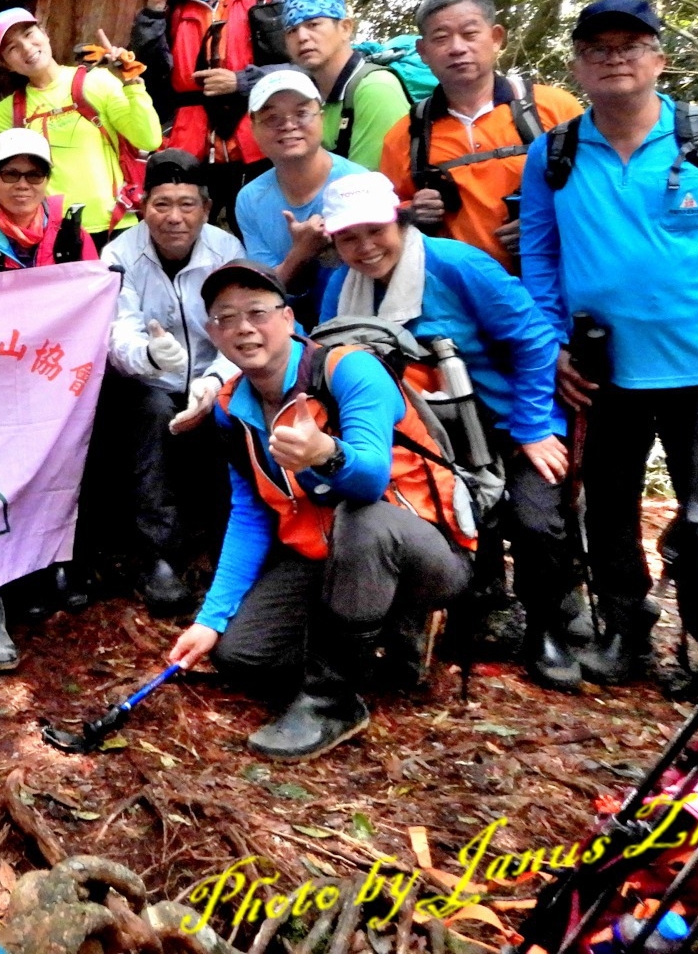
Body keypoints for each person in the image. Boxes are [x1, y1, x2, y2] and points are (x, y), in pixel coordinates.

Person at [521, 0, 698, 684]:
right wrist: (551, 346)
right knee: (608, 509)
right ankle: (627, 632)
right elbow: (540, 257)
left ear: (658, 59)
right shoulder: (555, 152)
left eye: (630, 46)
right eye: (598, 48)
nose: (615, 59)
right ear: (579, 65)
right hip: (603, 367)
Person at [166, 261, 474, 762]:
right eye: (227, 318)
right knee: (243, 656)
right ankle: (387, 639)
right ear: (213, 334)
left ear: (289, 319)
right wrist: (211, 618)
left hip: (423, 549)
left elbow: (371, 479)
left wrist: (324, 454)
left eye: (258, 313)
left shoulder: (349, 369)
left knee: (364, 519)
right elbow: (250, 514)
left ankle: (331, 701)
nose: (244, 328)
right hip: (325, 555)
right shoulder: (231, 407)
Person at [315, 172, 579, 691]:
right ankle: (441, 619)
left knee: (534, 518)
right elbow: (326, 361)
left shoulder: (457, 264)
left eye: (375, 230)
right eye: (349, 237)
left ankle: (550, 629)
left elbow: (534, 339)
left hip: (505, 420)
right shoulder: (338, 289)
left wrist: (531, 427)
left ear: (399, 219)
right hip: (416, 434)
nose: (365, 247)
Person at [92, 150, 245, 614]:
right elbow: (119, 335)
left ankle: (230, 549)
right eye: (162, 204)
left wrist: (214, 379)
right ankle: (157, 553)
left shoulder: (226, 251)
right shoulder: (119, 253)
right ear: (143, 206)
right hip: (149, 384)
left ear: (205, 206)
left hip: (212, 377)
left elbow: (241, 330)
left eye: (187, 204)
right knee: (151, 410)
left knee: (236, 409)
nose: (174, 218)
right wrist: (149, 356)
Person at [378, 0, 580, 271]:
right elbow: (383, 216)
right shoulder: (405, 135)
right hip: (457, 294)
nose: (457, 48)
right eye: (441, 38)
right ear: (423, 51)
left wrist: (545, 222)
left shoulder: (554, 109)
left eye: (470, 34)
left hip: (555, 282)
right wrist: (412, 211)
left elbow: (598, 194)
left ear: (496, 38)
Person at [130, 0, 284, 225]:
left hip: (255, 142)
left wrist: (241, 81)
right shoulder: (173, 4)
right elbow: (150, 73)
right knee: (185, 235)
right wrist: (155, 6)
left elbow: (294, 71)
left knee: (259, 232)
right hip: (189, 143)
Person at [0, 9, 163, 239]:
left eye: (28, 34)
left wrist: (132, 83)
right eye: (12, 48)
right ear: (6, 64)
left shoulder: (96, 82)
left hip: (115, 227)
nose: (26, 48)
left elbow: (149, 139)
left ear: (45, 33)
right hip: (56, 235)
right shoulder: (16, 107)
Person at [230, 69, 362, 320]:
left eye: (301, 113)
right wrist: (301, 253)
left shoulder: (357, 184)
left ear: (321, 118)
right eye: (272, 118)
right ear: (253, 128)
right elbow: (264, 287)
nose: (288, 126)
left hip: (357, 318)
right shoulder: (250, 198)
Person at [281, 0, 409, 171]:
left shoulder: (375, 89)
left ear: (345, 28)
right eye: (292, 30)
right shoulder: (307, 97)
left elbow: (366, 188)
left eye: (313, 24)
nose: (302, 37)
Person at [0, 128, 96, 273]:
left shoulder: (75, 238)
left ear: (47, 181)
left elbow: (96, 291)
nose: (22, 185)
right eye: (11, 174)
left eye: (34, 175)